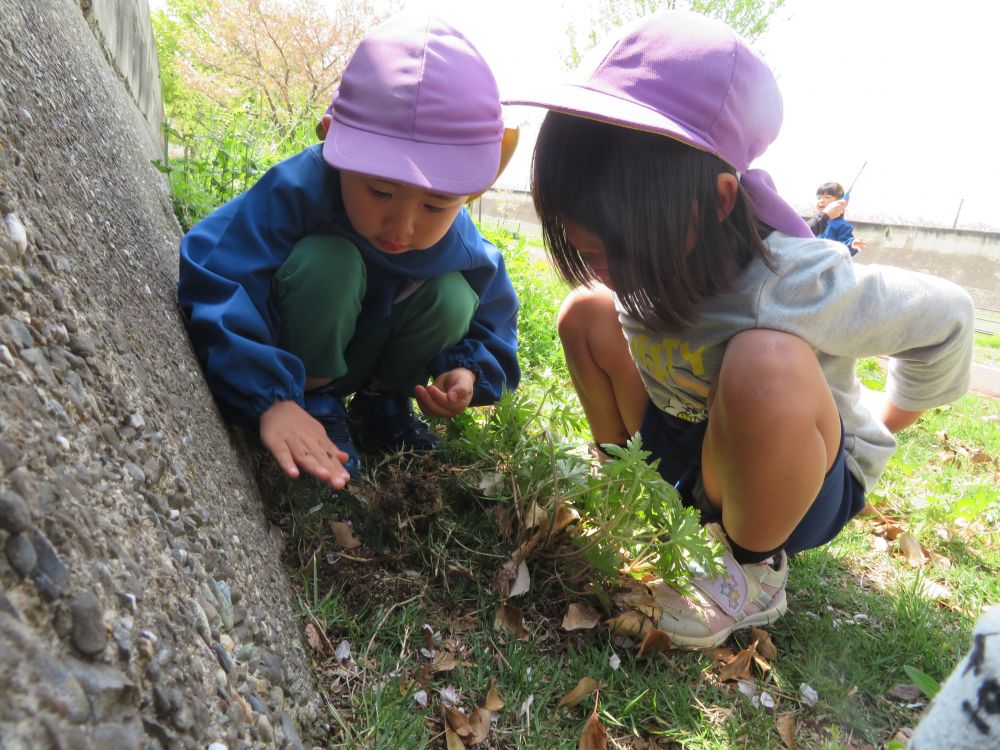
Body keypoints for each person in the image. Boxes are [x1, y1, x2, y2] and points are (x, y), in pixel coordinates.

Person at [506, 11, 973, 648]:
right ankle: (627, 484)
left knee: (764, 364)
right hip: (690, 446)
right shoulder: (638, 253)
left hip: (790, 484)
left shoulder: (792, 280)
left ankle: (752, 570)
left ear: (719, 200)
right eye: (587, 251)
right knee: (584, 313)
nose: (605, 269)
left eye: (618, 251)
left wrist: (881, 429)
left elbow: (948, 316)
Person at [178, 15, 521, 491]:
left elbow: (495, 323)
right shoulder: (301, 189)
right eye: (380, 191)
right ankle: (313, 399)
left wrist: (465, 369)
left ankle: (383, 403)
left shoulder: (461, 243)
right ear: (331, 141)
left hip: (371, 358)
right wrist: (271, 398)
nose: (402, 226)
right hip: (295, 353)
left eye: (436, 204)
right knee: (329, 263)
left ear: (470, 193)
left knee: (455, 297)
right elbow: (218, 269)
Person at [811, 181, 867, 255]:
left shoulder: (842, 225)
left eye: (827, 197)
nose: (821, 200)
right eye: (819, 197)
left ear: (841, 202)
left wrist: (852, 244)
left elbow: (844, 245)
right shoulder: (816, 222)